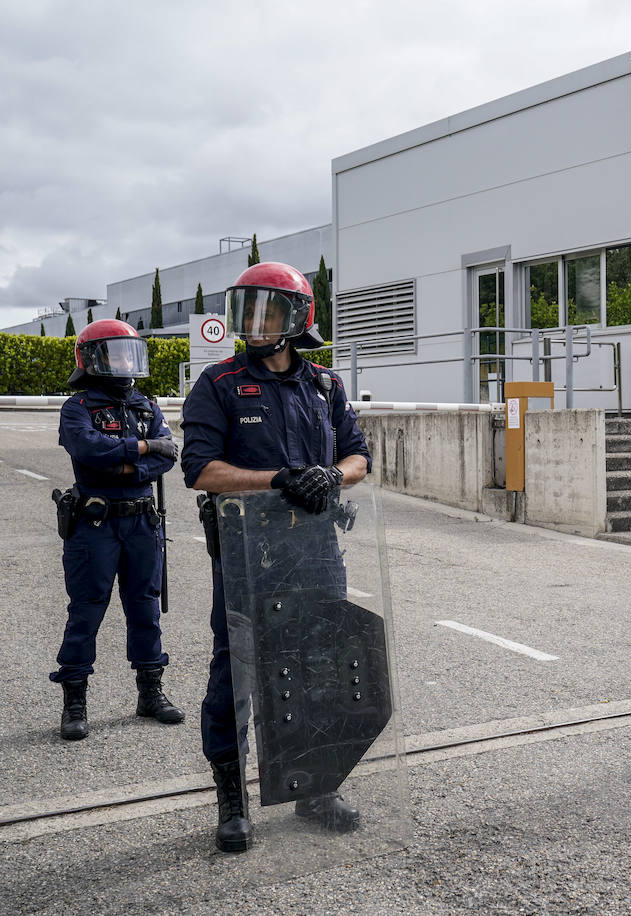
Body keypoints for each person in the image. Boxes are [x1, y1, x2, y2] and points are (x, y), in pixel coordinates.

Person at [180, 262, 371, 852]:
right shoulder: (218, 384)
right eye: (247, 310)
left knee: (317, 664)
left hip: (315, 547)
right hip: (248, 550)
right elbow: (201, 470)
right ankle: (233, 796)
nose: (255, 324)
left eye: (268, 311)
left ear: (298, 317)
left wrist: (328, 478)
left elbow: (359, 458)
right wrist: (278, 480)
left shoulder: (325, 386)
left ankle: (316, 786)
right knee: (235, 673)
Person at [50, 319, 183, 740]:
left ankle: (150, 693)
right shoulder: (78, 407)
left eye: (130, 352)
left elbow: (169, 457)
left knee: (144, 606)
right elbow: (90, 450)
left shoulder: (147, 404)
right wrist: (142, 448)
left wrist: (125, 461)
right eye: (115, 352)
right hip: (95, 523)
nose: (125, 360)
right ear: (91, 359)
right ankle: (74, 702)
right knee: (87, 609)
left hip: (142, 521)